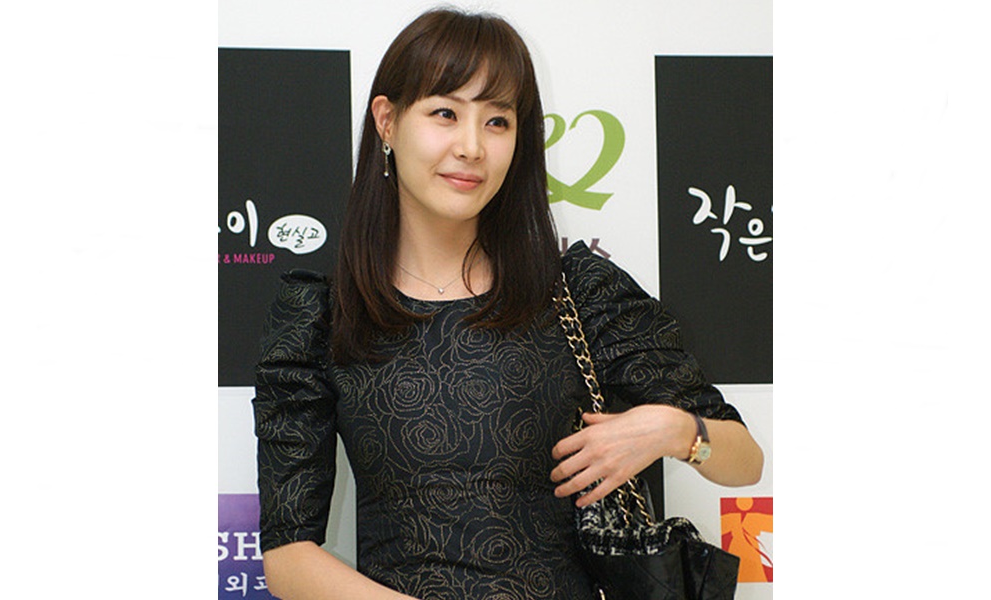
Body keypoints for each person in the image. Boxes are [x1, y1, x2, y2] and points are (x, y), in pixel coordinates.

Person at [252, 8, 763, 600]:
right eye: (445, 113)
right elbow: (288, 557)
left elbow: (744, 460)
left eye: (497, 121)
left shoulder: (578, 291)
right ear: (387, 121)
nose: (472, 147)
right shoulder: (324, 314)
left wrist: (676, 430)